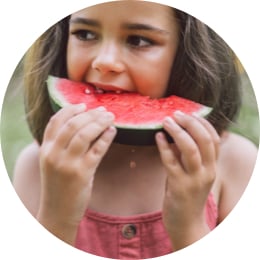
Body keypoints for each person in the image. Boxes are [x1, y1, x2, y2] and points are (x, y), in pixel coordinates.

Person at [12, 1, 257, 259]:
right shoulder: (38, 167)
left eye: (138, 40)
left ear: (188, 54)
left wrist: (189, 226)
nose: (105, 61)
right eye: (84, 34)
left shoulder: (234, 163)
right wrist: (57, 214)